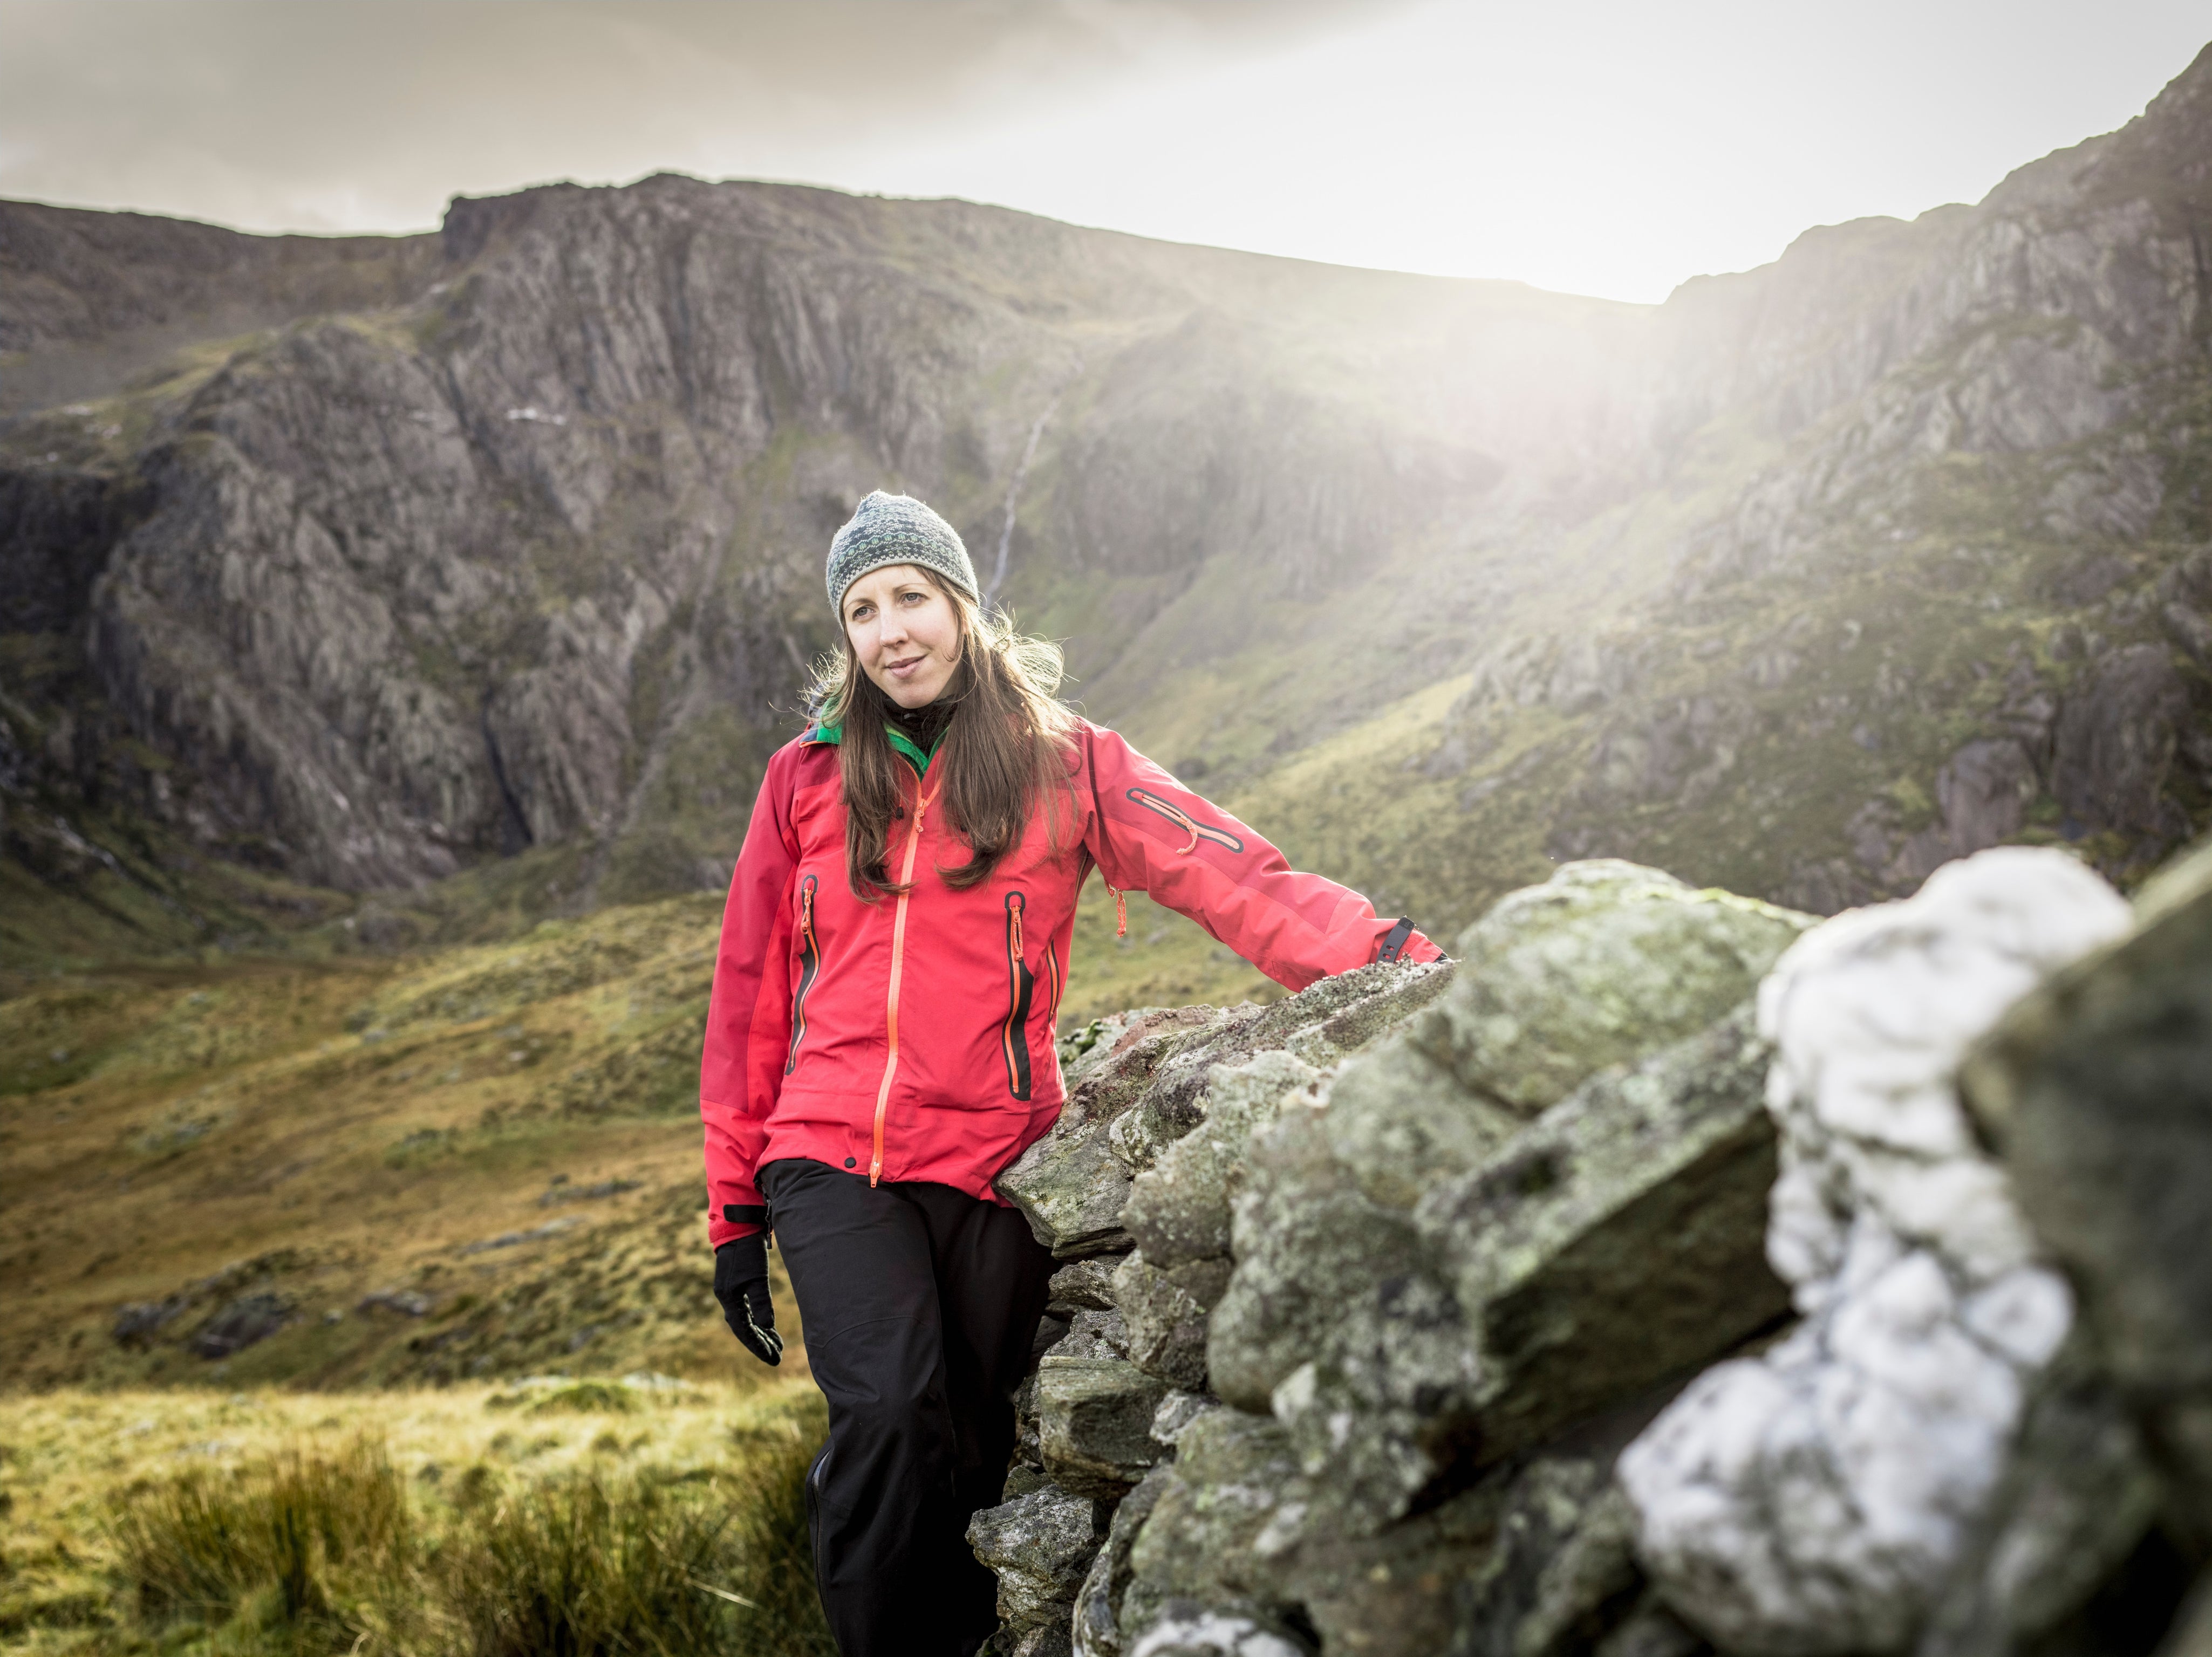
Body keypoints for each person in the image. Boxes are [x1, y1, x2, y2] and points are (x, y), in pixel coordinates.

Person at [699, 491, 1442, 1657]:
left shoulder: (1070, 763)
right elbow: (748, 993)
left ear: (959, 605)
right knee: (889, 1414)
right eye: (861, 610)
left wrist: (1388, 958)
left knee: (974, 1442)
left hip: (995, 1158)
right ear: (843, 637)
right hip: (830, 1153)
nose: (891, 630)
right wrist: (734, 1208)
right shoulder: (801, 779)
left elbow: (1229, 875)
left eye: (911, 598)